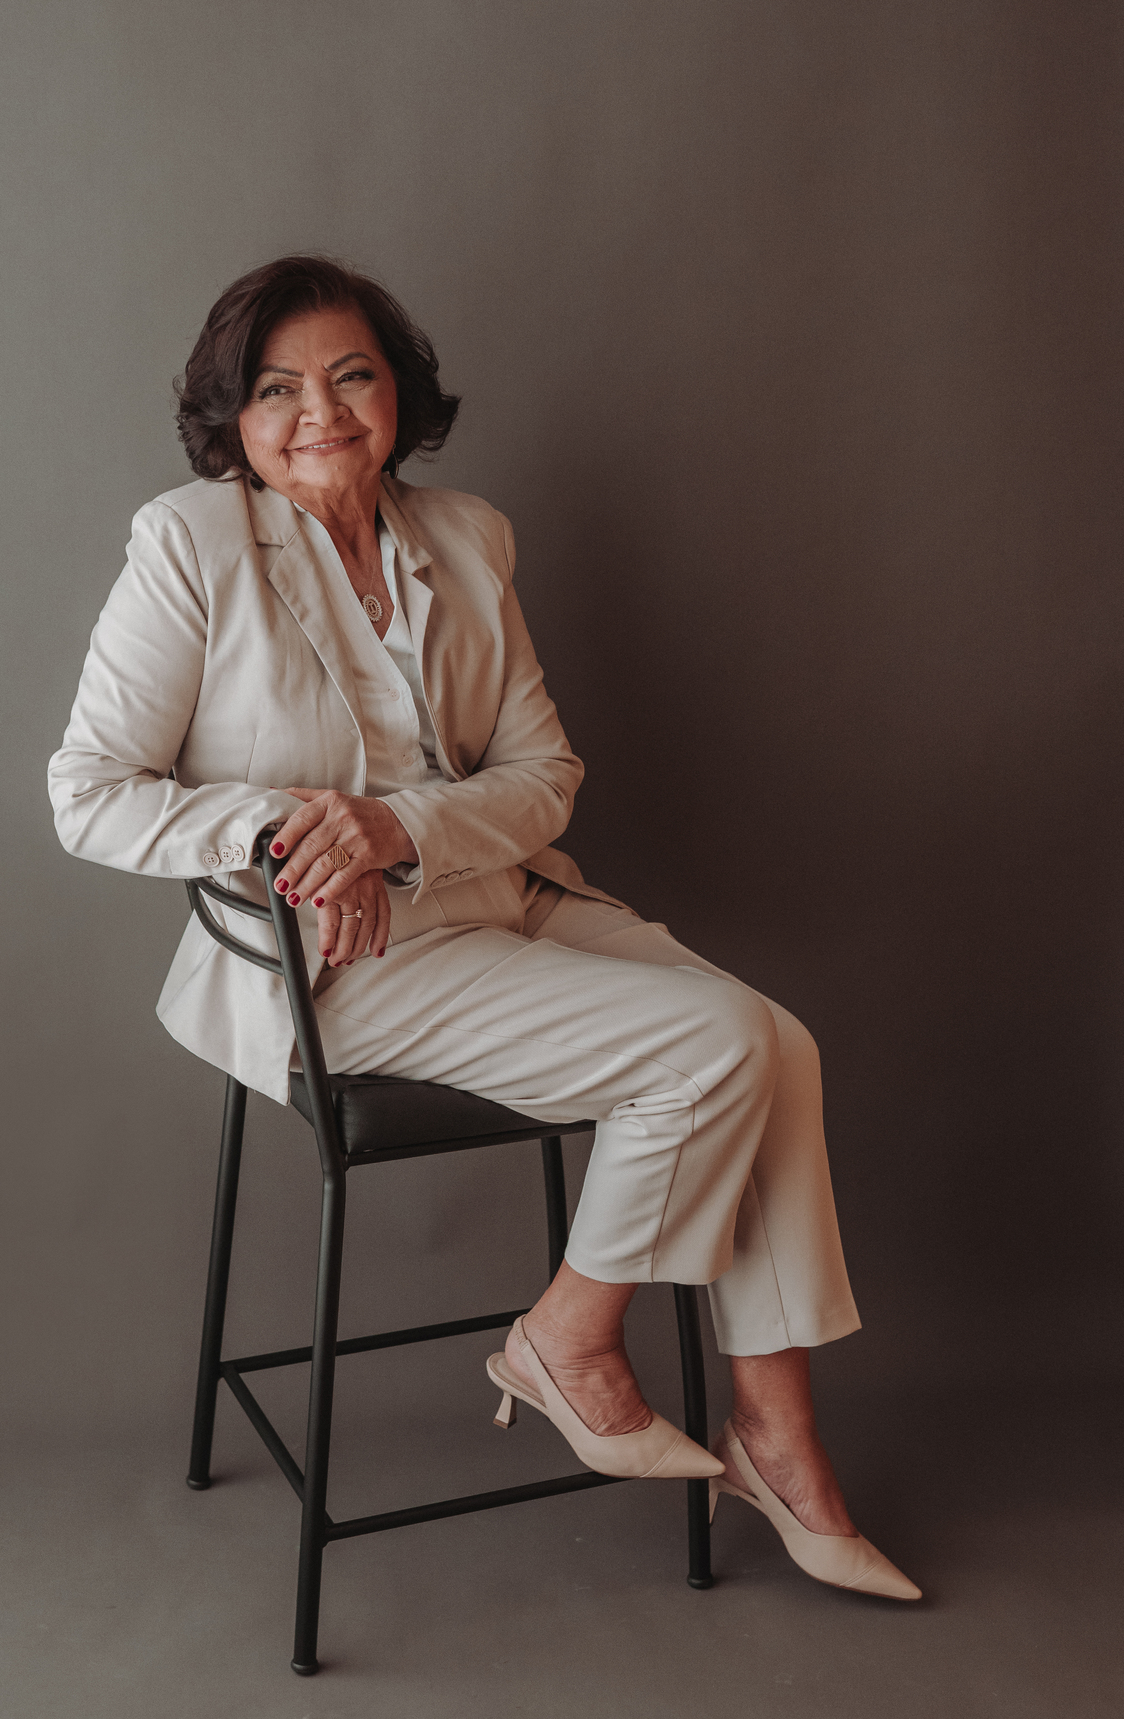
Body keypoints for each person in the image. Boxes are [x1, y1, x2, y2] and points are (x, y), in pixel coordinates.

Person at [49, 254, 919, 1601]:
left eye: (352, 376)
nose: (320, 412)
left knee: (781, 1048)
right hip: (336, 959)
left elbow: (542, 774)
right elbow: (89, 796)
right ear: (234, 416)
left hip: (494, 893)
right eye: (276, 389)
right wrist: (294, 830)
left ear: (398, 392)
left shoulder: (466, 537)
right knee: (718, 1046)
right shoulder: (190, 543)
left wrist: (398, 828)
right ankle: (569, 1341)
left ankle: (776, 1435)